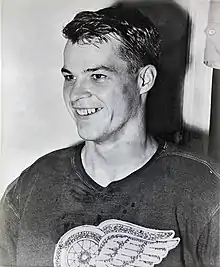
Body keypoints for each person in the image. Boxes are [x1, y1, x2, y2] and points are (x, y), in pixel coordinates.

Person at [0, 4, 219, 267]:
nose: (76, 94)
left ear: (144, 80)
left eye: (98, 76)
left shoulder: (205, 191)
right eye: (70, 77)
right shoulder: (31, 186)